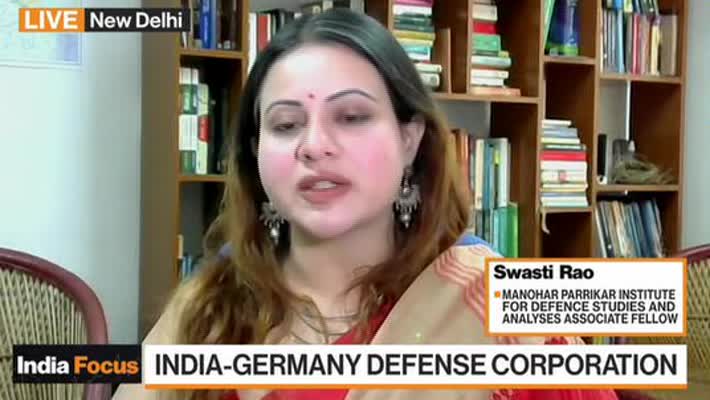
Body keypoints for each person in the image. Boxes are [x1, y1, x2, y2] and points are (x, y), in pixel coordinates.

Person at [114, 8, 618, 400]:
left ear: (410, 138)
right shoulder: (205, 310)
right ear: (256, 153)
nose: (314, 146)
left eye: (352, 117)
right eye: (286, 124)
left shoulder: (496, 312)